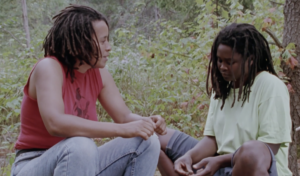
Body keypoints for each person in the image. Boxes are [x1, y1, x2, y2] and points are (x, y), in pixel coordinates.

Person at [11, 5, 166, 176]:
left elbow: (124, 117)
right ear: (80, 42)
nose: (109, 47)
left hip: (80, 164)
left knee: (146, 140)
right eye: (102, 41)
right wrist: (122, 130)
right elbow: (55, 123)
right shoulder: (49, 68)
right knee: (81, 145)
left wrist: (146, 122)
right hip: (34, 164)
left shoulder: (99, 73)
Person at [157, 23, 292, 176]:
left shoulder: (270, 86)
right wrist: (189, 157)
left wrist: (219, 161)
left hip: (253, 169)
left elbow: (268, 148)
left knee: (250, 152)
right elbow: (212, 140)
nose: (222, 67)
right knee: (153, 136)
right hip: (221, 167)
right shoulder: (223, 88)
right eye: (219, 60)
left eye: (230, 62)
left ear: (251, 59)